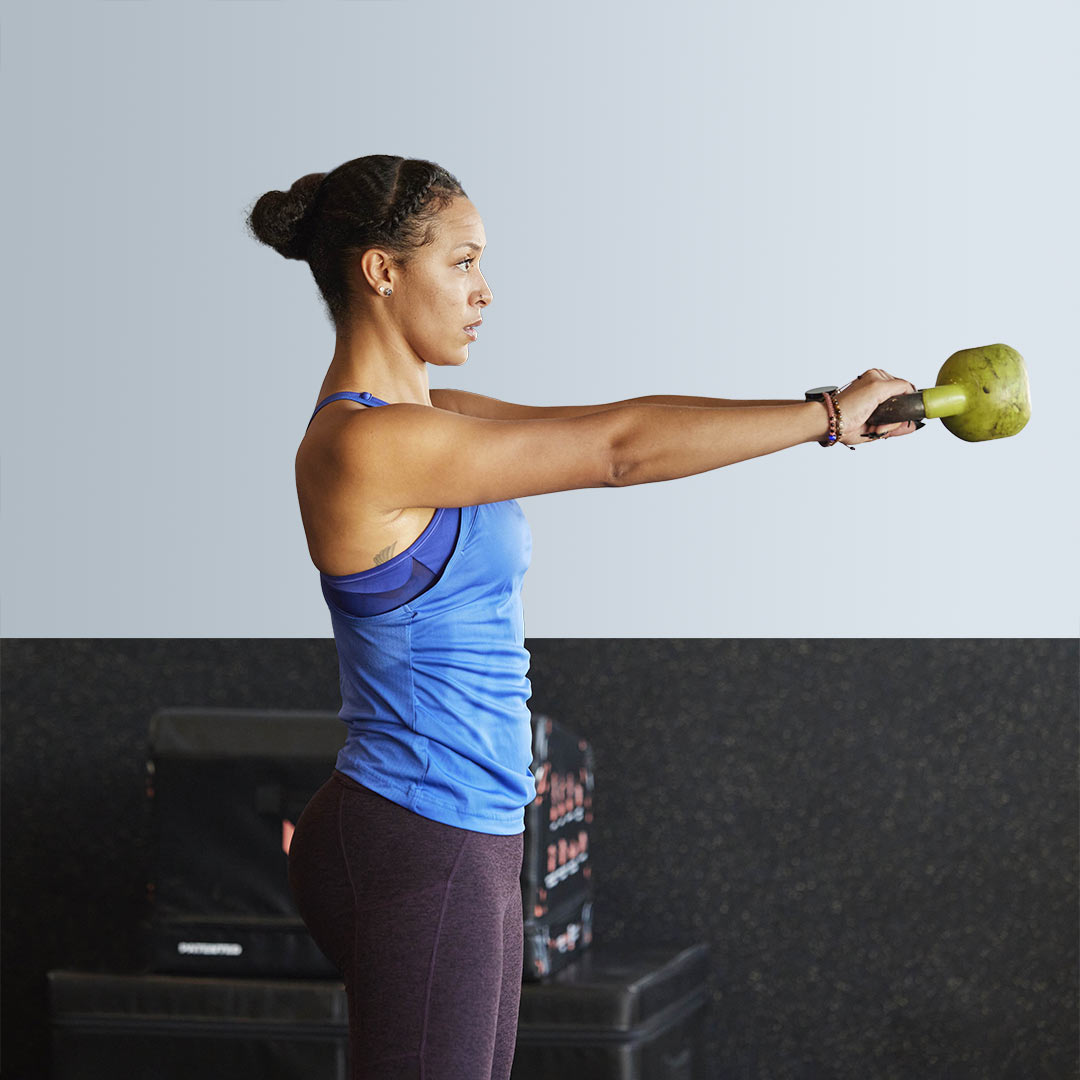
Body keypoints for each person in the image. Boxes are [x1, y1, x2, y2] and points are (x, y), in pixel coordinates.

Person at [245, 154, 918, 1080]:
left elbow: (615, 423)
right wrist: (827, 415)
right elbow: (617, 452)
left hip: (461, 825)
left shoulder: (444, 418)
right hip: (415, 829)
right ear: (382, 270)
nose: (485, 291)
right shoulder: (367, 444)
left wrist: (823, 418)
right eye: (463, 262)